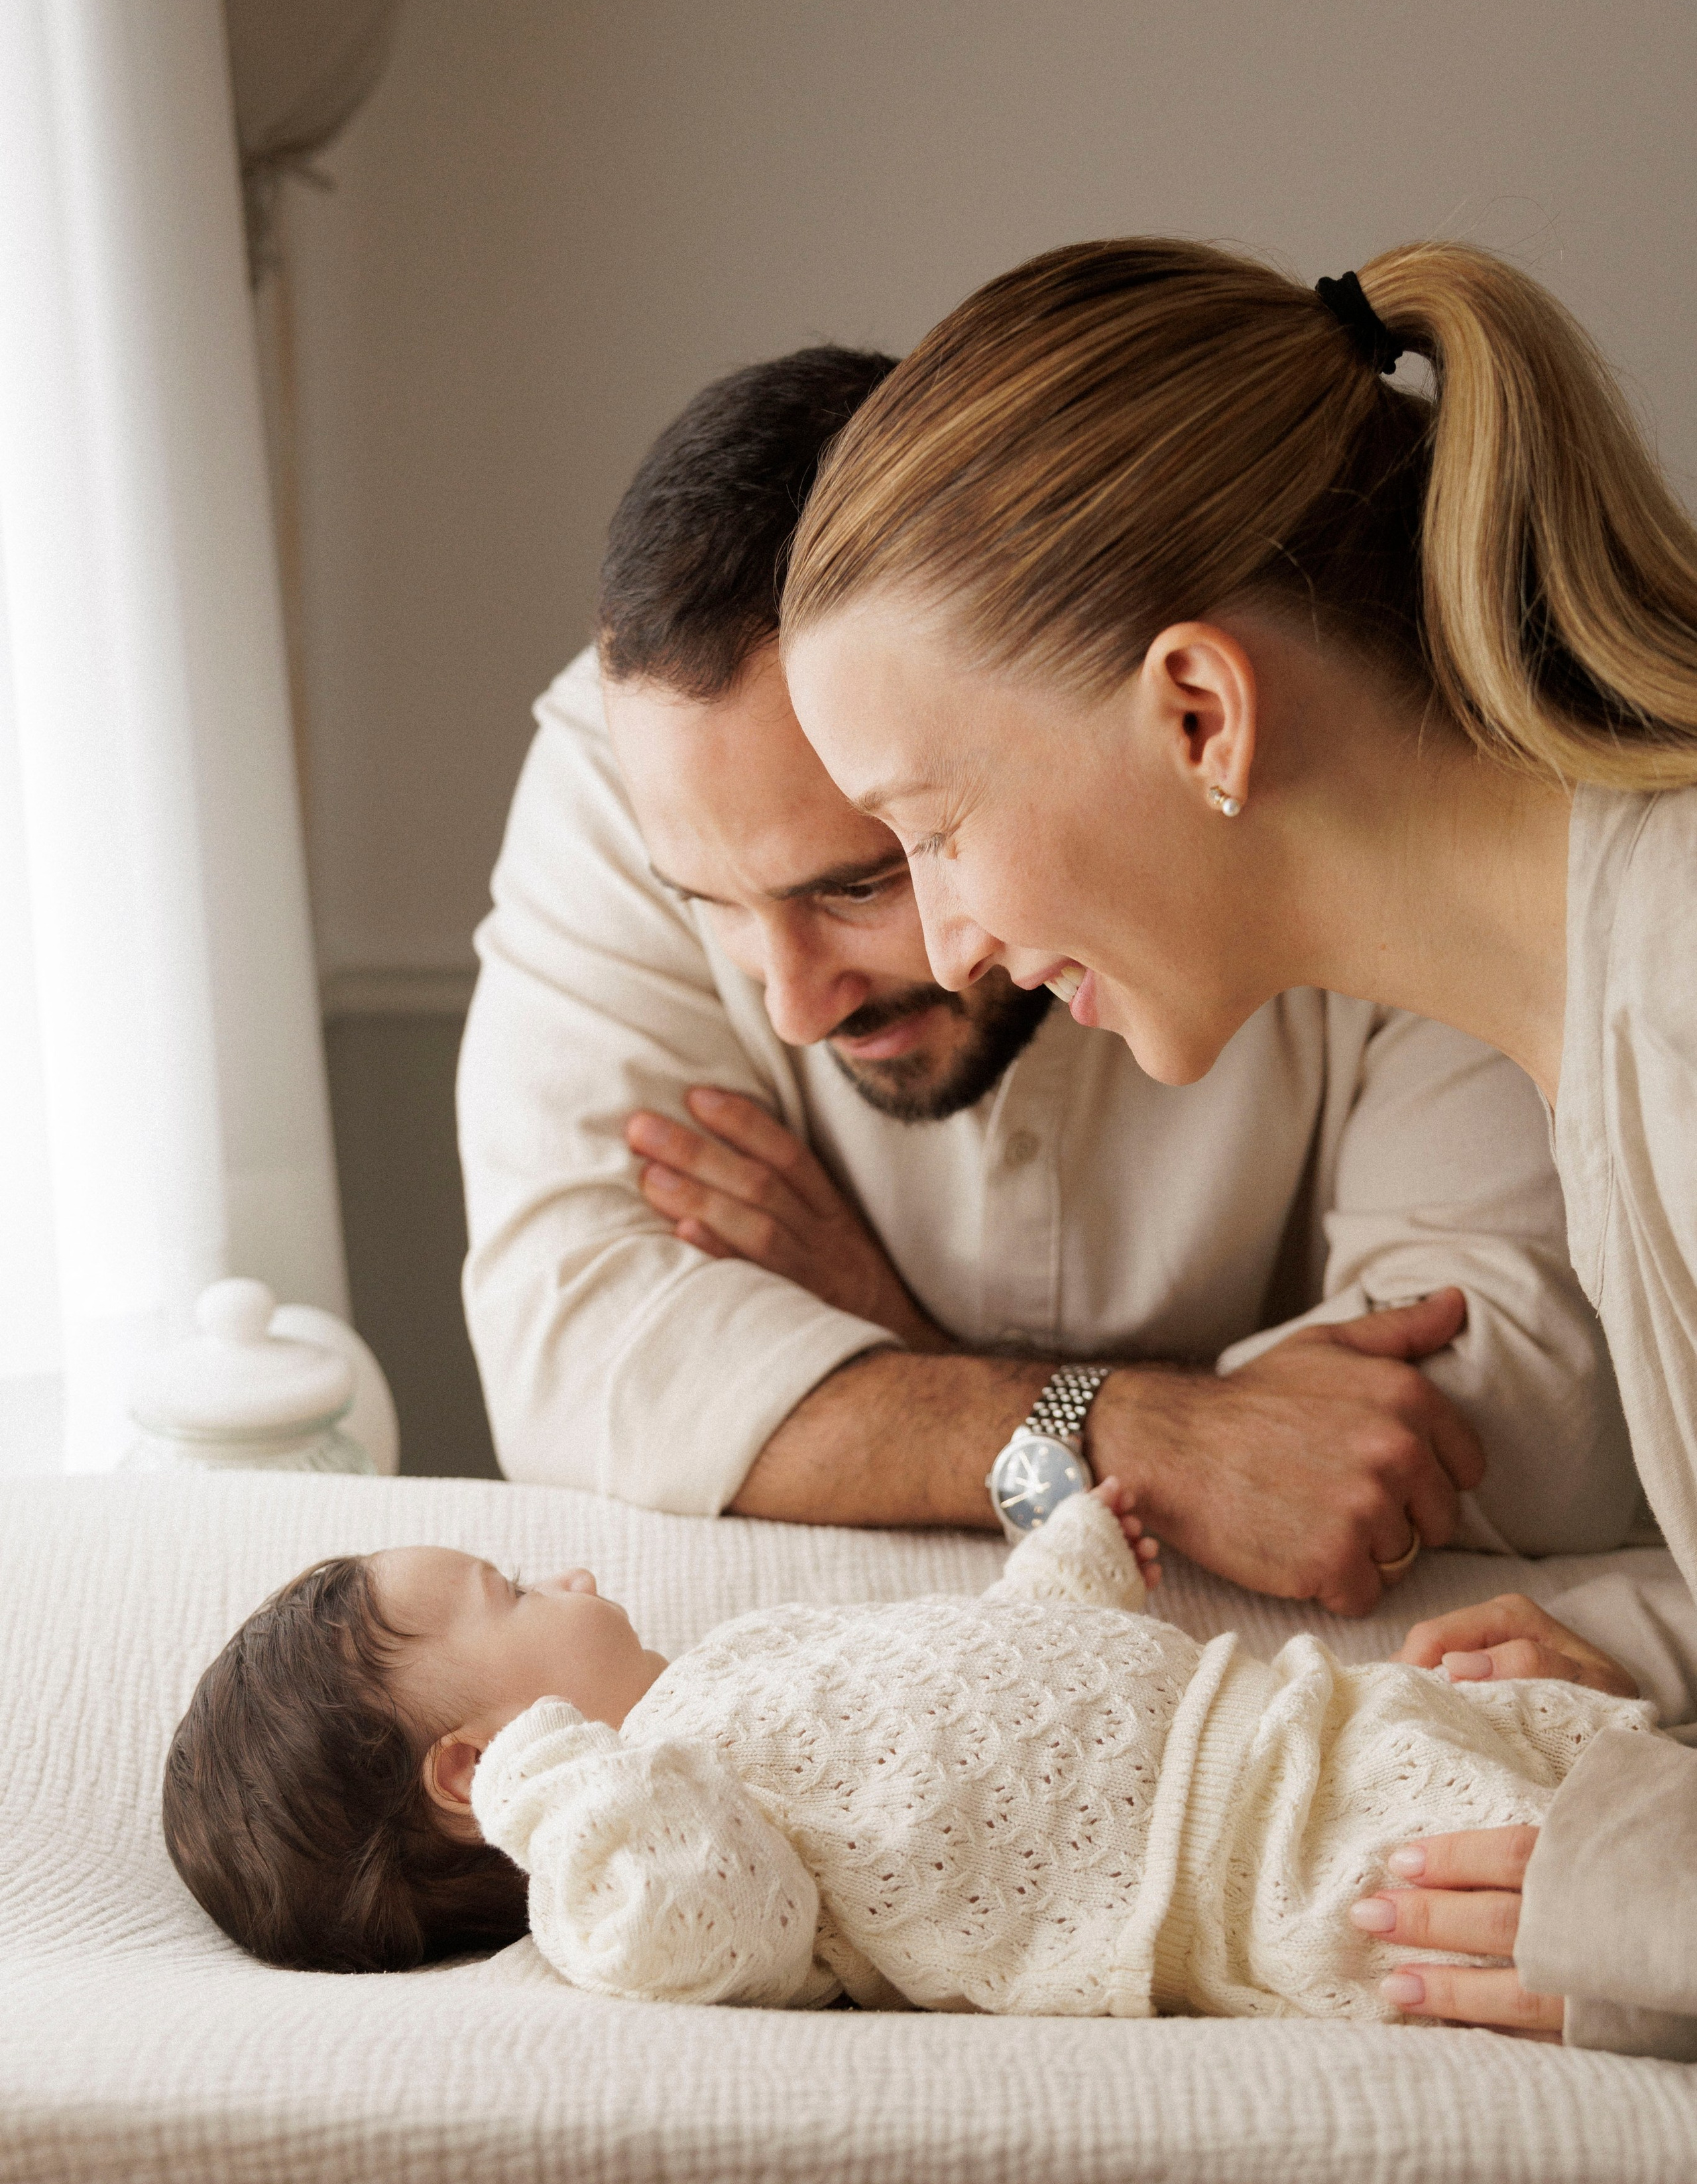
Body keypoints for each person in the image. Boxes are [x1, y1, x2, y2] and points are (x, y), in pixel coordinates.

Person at [778, 235, 1697, 2053]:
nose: (948, 946)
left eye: (934, 831)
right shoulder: (1609, 1016)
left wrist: (1649, 1895)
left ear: (1200, 710)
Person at [456, 345, 1638, 1617]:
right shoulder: (639, 754)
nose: (792, 1010)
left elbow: (1525, 1423)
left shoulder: (1390, 784)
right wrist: (1138, 1433)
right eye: (713, 914)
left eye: (867, 876)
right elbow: (573, 1361)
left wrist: (898, 1370)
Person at [161, 1487, 1653, 2016]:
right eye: (509, 1595)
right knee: (1607, 1886)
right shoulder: (652, 1851)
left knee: (1630, 1781)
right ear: (472, 1767)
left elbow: (979, 1690)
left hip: (1306, 1719)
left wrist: (1069, 1564)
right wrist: (545, 1792)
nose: (565, 1578)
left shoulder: (735, 1668)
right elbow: (687, 1920)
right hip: (1287, 1870)